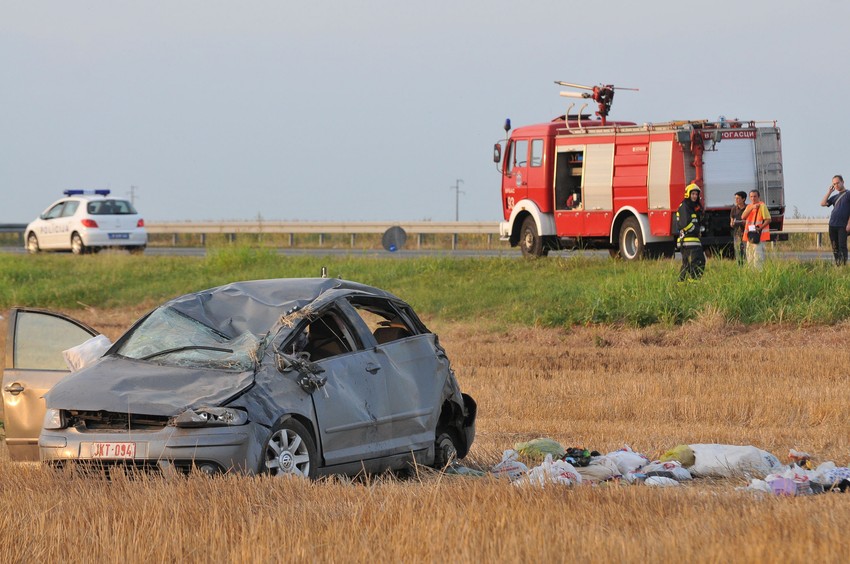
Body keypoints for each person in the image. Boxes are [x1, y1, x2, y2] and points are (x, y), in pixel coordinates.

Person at [676, 183, 705, 281]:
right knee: (698, 262)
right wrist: (695, 229)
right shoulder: (685, 206)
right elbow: (684, 224)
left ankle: (681, 283)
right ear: (688, 194)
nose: (695, 196)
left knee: (687, 264)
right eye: (693, 194)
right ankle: (694, 283)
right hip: (689, 240)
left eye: (696, 194)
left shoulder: (691, 207)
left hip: (690, 240)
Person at [819, 175, 850, 266]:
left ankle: (843, 265)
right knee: (834, 247)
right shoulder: (835, 196)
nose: (836, 185)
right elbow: (823, 203)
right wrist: (829, 192)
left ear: (842, 182)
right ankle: (838, 264)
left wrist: (849, 223)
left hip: (842, 225)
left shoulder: (848, 194)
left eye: (837, 183)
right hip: (832, 225)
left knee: (842, 246)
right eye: (834, 184)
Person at [742, 189, 771, 269]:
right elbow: (743, 217)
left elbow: (768, 219)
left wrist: (760, 228)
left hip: (759, 236)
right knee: (750, 257)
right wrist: (752, 208)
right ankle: (752, 275)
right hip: (750, 236)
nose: (753, 198)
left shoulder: (762, 206)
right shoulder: (749, 206)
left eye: (755, 196)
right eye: (751, 197)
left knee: (758, 257)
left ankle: (759, 274)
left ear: (758, 197)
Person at [729, 191, 748, 266]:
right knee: (738, 251)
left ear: (743, 199)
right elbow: (731, 221)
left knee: (746, 251)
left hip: (746, 233)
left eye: (738, 198)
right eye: (735, 198)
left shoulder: (747, 208)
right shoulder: (734, 209)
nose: (736, 200)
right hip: (737, 233)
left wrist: (744, 222)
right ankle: (739, 266)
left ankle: (747, 265)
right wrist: (732, 223)